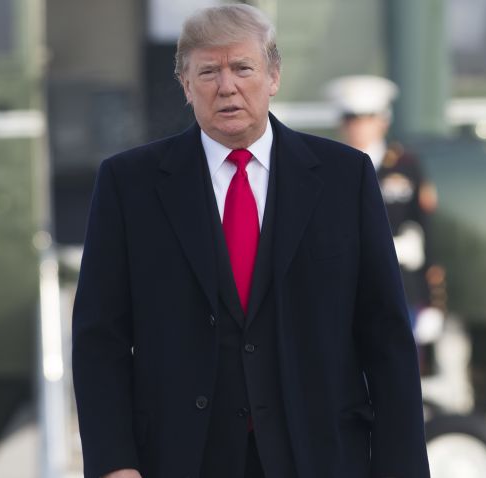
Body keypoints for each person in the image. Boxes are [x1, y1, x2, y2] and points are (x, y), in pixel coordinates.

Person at [72, 5, 429, 478]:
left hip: (320, 455)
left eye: (242, 67)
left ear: (273, 75)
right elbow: (100, 339)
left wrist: (401, 467)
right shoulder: (129, 184)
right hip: (181, 458)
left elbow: (385, 337)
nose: (227, 86)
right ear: (184, 84)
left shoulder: (345, 179)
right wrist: (114, 464)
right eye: (208, 72)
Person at [325, 75, 442, 341]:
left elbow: (427, 231)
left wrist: (434, 303)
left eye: (367, 117)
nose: (359, 127)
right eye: (351, 118)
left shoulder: (405, 165)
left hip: (400, 288)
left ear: (383, 120)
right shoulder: (327, 167)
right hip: (345, 292)